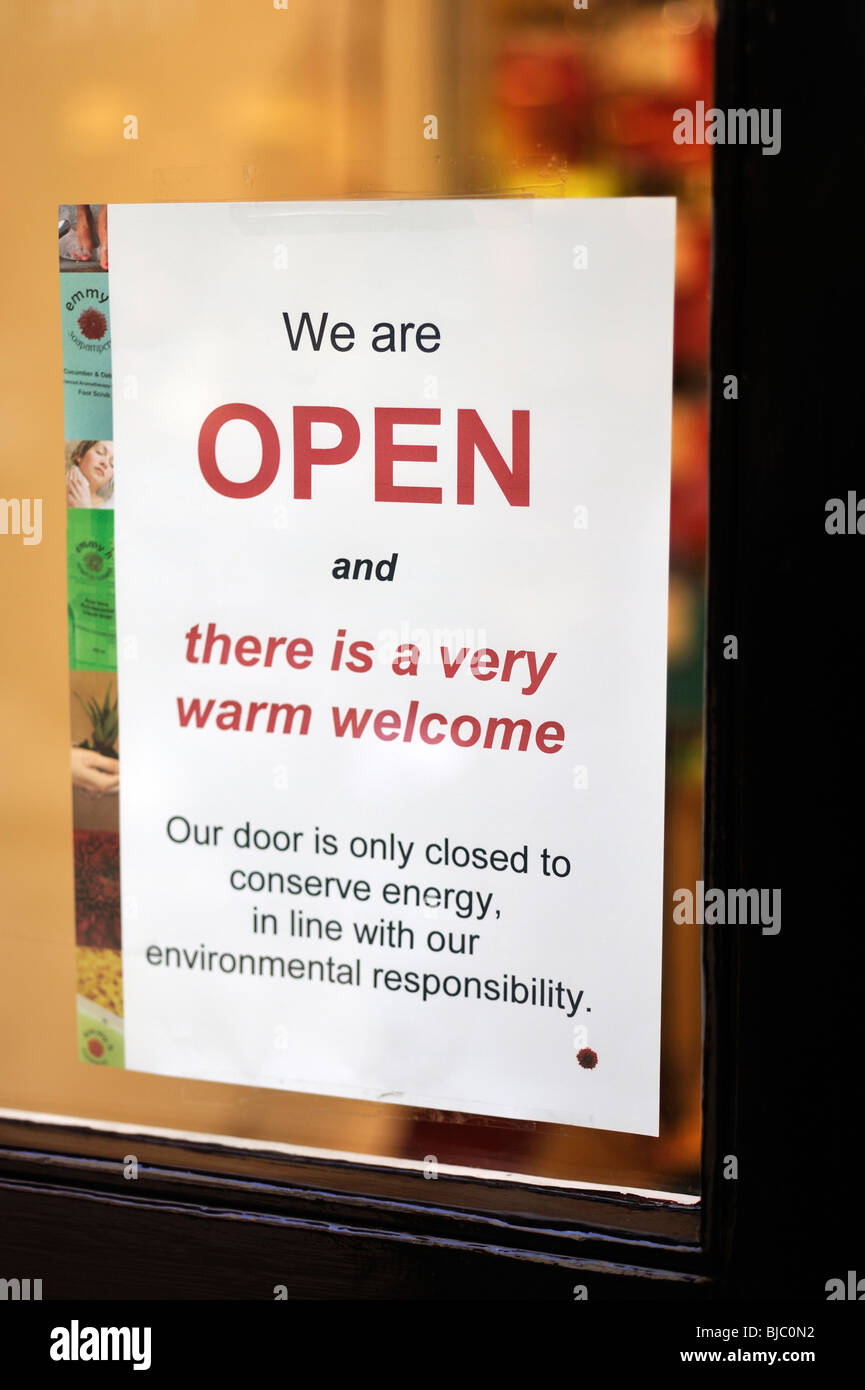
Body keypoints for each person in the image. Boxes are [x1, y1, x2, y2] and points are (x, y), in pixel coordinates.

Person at [66, 441, 114, 508]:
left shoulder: (109, 507)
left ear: (108, 480)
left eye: (112, 464)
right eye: (100, 452)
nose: (105, 463)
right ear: (80, 455)